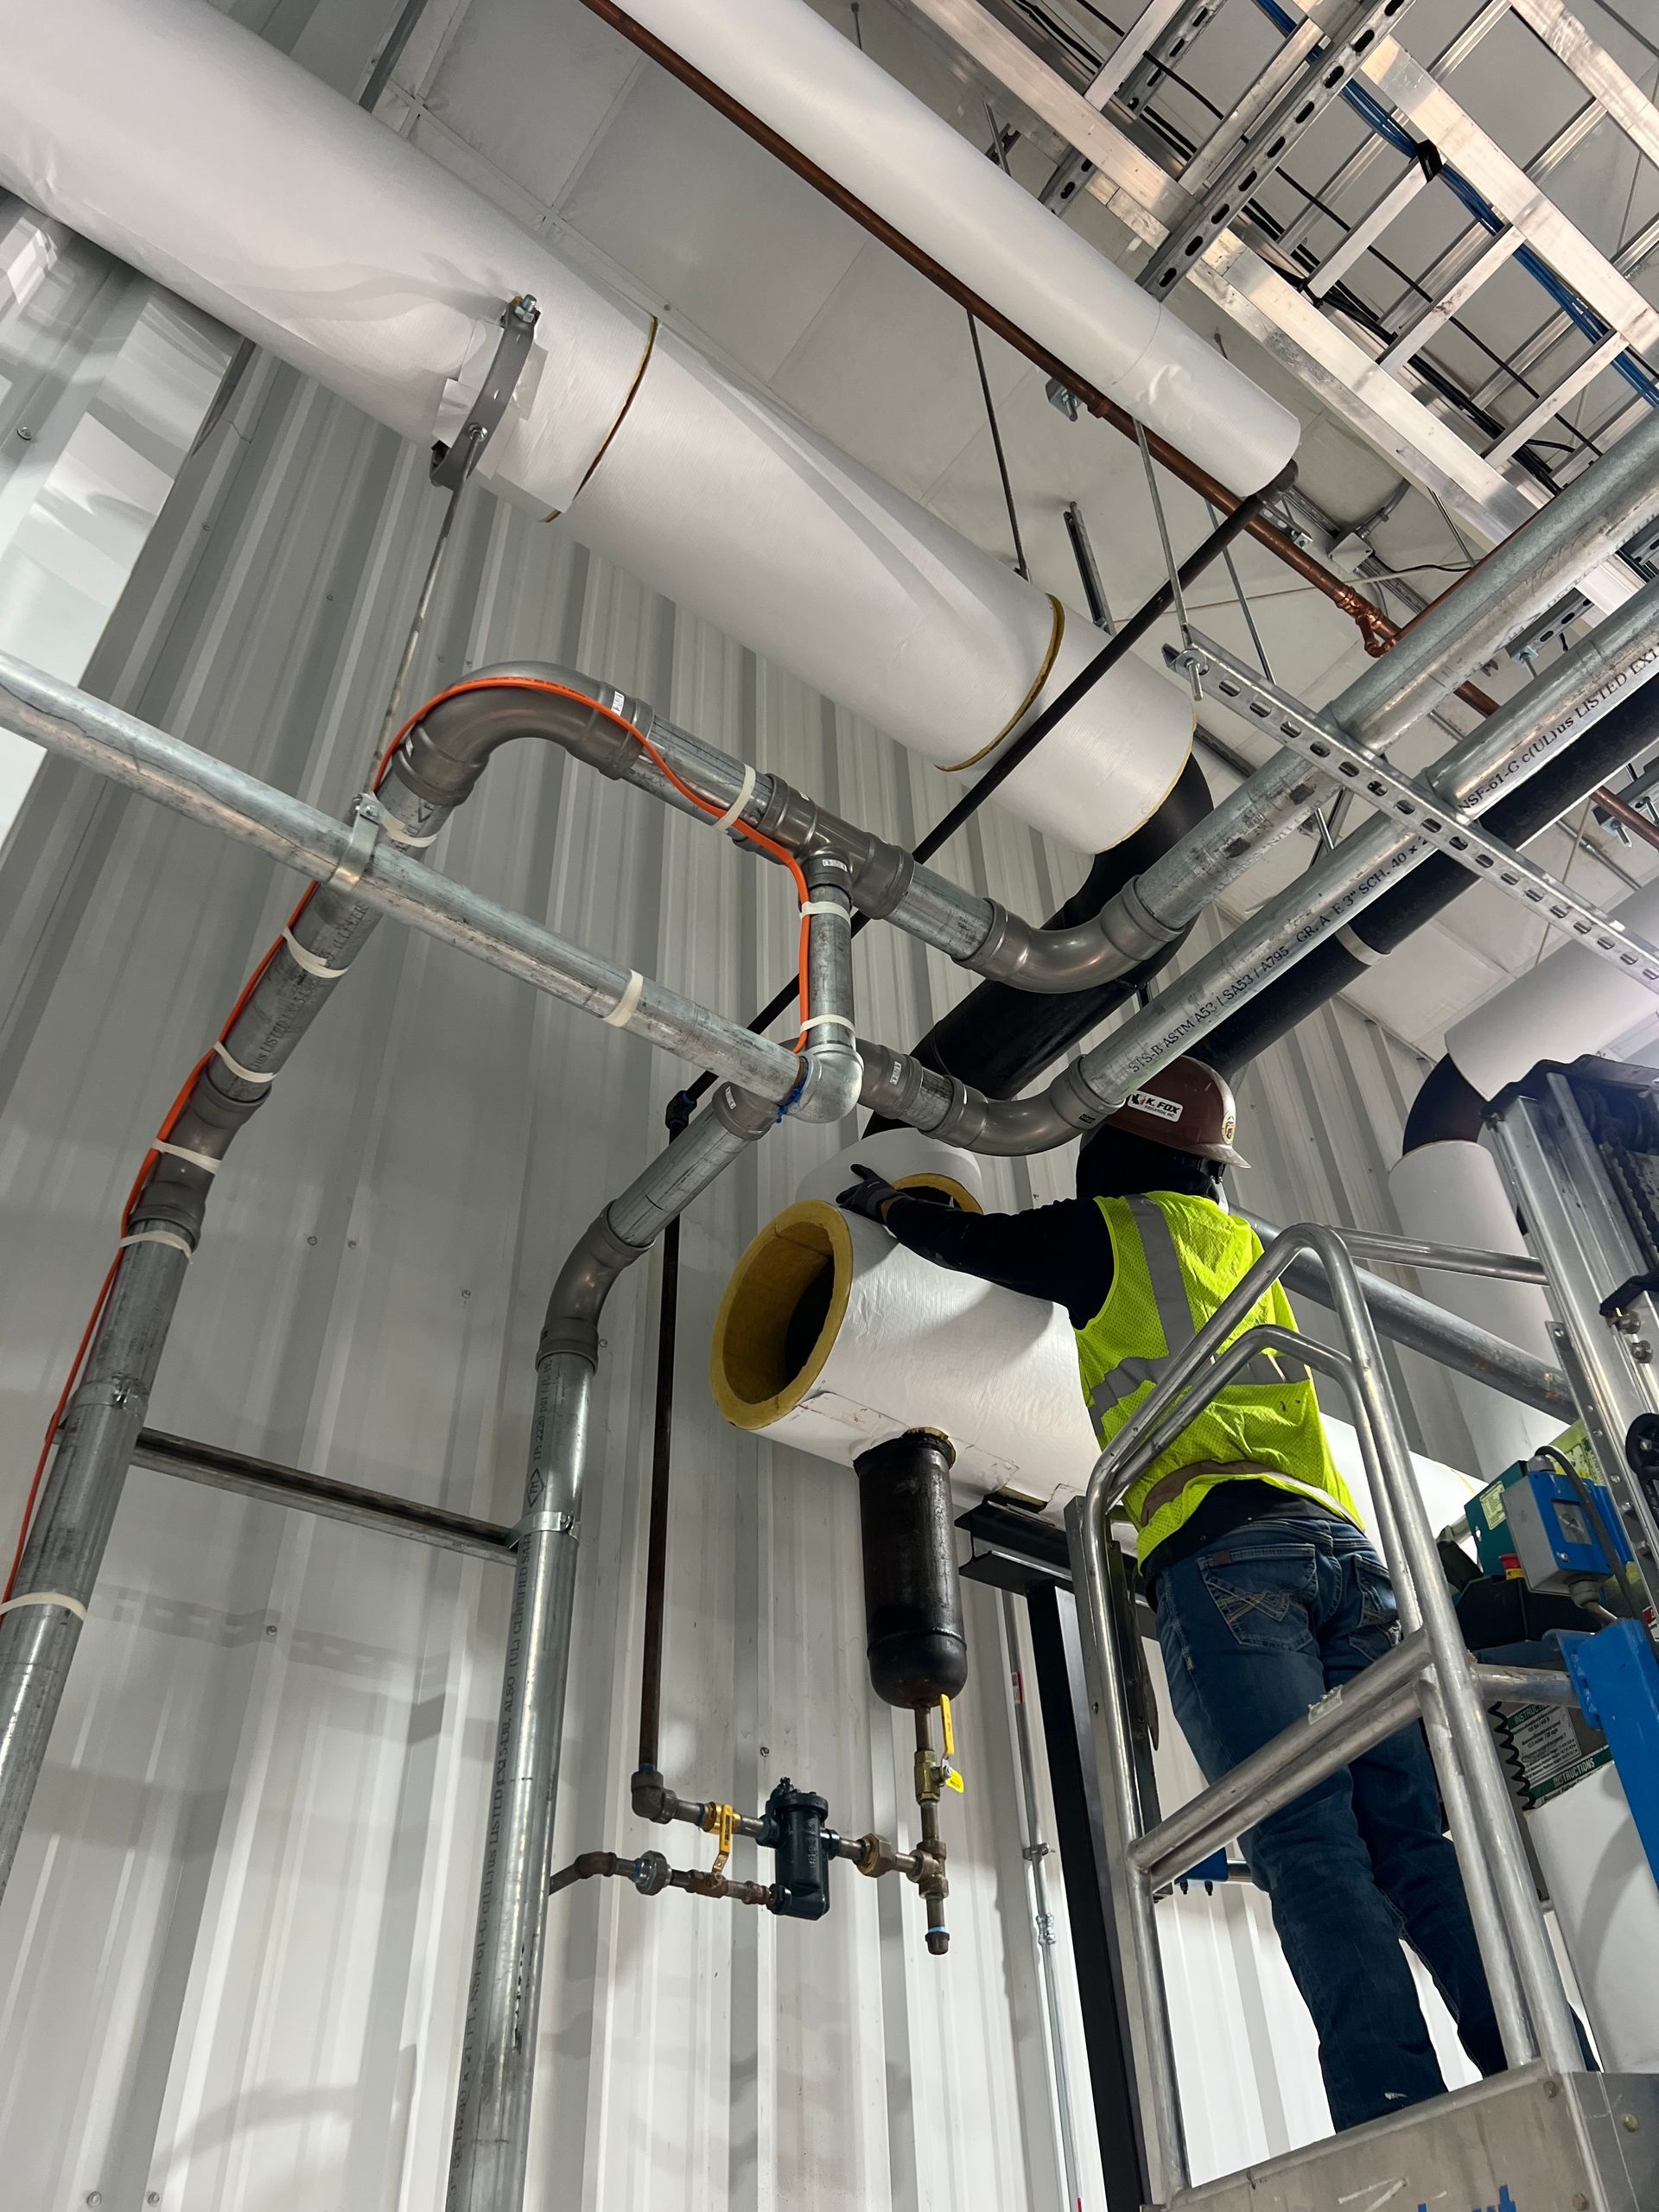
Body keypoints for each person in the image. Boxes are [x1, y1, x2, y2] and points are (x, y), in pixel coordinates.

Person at [838, 1058, 1503, 2133]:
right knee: (1412, 1845)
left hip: (1226, 1556)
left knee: (1307, 1841)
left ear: (1119, 1150)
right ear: (1209, 1164)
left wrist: (892, 1205)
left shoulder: (1111, 1233)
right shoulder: (1250, 1250)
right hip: (1349, 1557)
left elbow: (984, 1245)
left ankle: (1400, 2112)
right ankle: (1536, 2050)